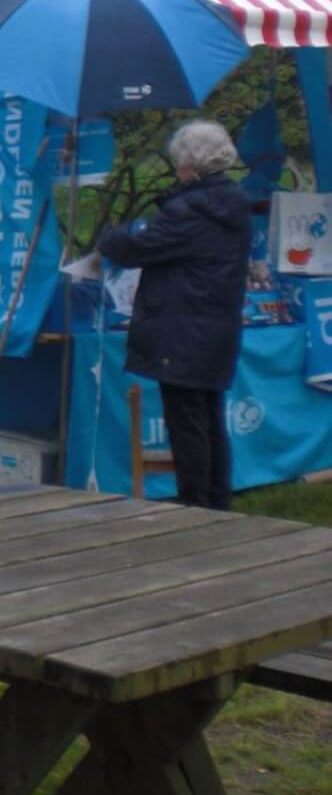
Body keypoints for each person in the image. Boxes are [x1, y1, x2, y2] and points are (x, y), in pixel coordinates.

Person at [97, 120, 250, 511]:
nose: (176, 168)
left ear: (191, 165)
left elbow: (137, 246)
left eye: (179, 161)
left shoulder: (188, 211)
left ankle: (195, 506)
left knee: (187, 424)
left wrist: (111, 236)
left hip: (182, 327)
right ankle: (217, 504)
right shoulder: (232, 204)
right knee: (209, 418)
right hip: (216, 325)